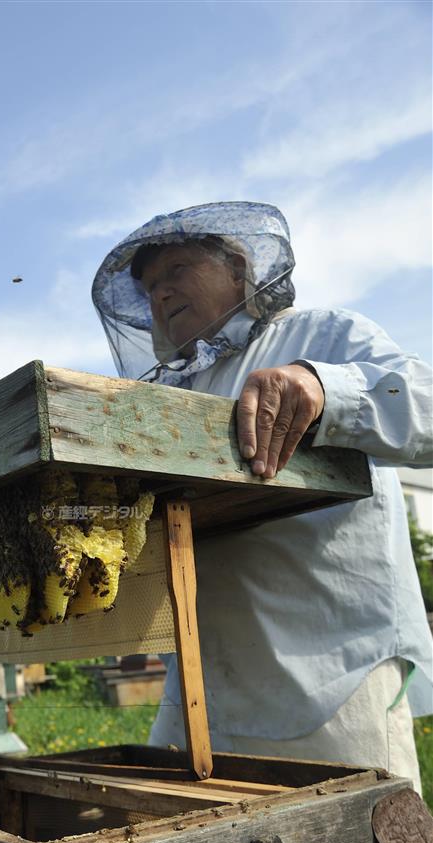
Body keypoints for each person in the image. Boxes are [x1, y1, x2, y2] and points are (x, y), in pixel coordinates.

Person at [91, 202, 432, 788]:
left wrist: (323, 386)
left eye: (175, 270)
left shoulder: (323, 333)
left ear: (239, 269)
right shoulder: (170, 392)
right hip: (200, 688)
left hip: (329, 676)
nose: (160, 295)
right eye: (149, 288)